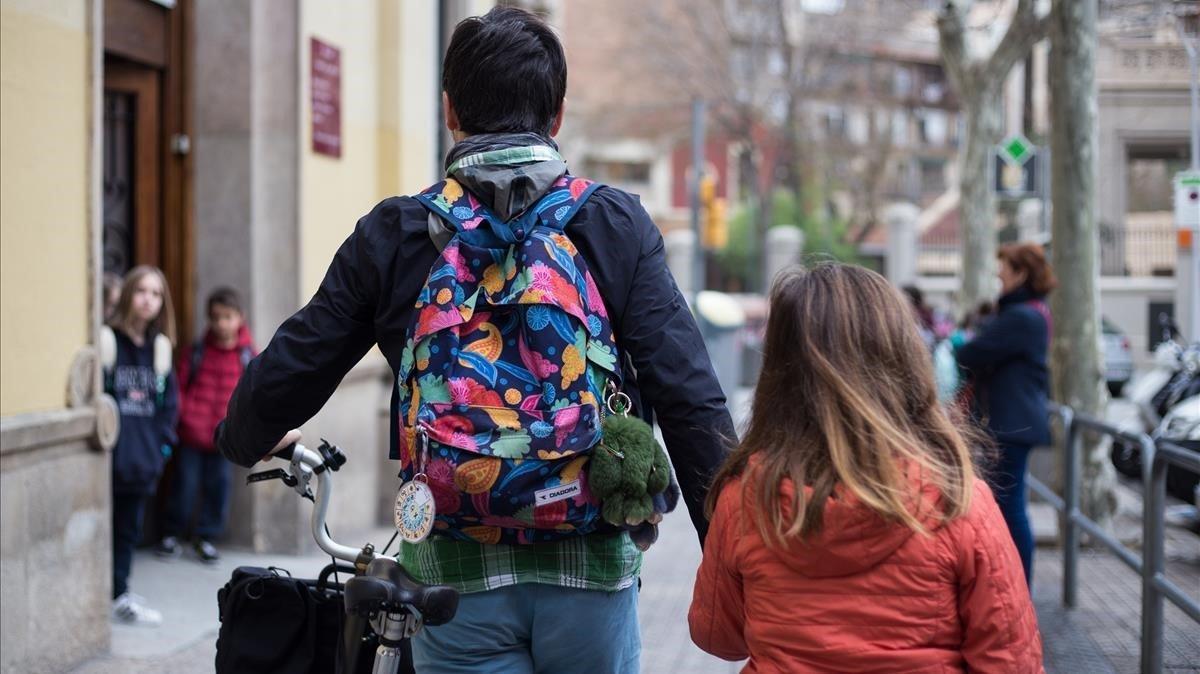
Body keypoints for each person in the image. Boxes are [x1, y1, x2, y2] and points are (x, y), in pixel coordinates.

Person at [216, 7, 734, 672]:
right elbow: (690, 397)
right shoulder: (614, 224)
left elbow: (297, 362)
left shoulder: (397, 234)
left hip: (454, 581)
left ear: (449, 111)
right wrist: (732, 556)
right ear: (558, 115)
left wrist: (244, 435)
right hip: (590, 568)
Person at [689, 264, 1042, 673]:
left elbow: (718, 635)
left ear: (779, 372)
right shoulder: (957, 499)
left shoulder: (746, 498)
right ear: (903, 361)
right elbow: (1011, 660)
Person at [954, 243, 1056, 585]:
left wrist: (958, 343)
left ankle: (1017, 586)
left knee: (1010, 508)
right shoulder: (1032, 312)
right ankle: (1013, 583)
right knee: (1010, 505)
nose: (999, 274)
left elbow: (971, 352)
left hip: (1013, 423)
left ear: (1021, 273)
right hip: (1018, 420)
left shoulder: (1021, 317)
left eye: (1005, 268)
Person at [102, 265, 179, 626]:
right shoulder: (108, 341)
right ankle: (105, 593)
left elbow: (169, 406)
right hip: (110, 457)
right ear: (128, 294)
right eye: (141, 291)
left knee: (129, 529)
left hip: (142, 458)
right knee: (105, 527)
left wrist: (161, 449)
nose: (148, 300)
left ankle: (119, 591)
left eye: (156, 294)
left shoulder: (159, 349)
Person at [157, 287, 254, 563]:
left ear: (240, 318)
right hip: (192, 435)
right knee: (183, 487)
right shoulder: (197, 352)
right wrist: (185, 417)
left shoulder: (247, 355)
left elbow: (252, 393)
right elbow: (180, 387)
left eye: (228, 317)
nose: (222, 323)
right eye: (216, 317)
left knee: (218, 489)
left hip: (224, 438)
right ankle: (172, 534)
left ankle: (206, 537)